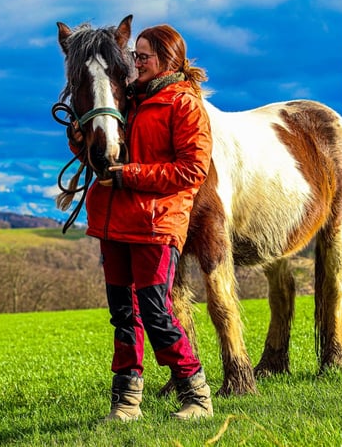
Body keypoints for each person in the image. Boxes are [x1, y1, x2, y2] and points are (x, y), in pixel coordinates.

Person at [69, 24, 214, 421]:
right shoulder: (128, 98)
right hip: (114, 221)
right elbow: (102, 151)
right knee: (123, 314)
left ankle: (196, 394)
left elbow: (191, 171)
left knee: (155, 312)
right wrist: (80, 139)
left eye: (144, 55)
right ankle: (126, 401)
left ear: (167, 59)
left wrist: (128, 174)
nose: (136, 62)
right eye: (136, 55)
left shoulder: (184, 106)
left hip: (156, 223)